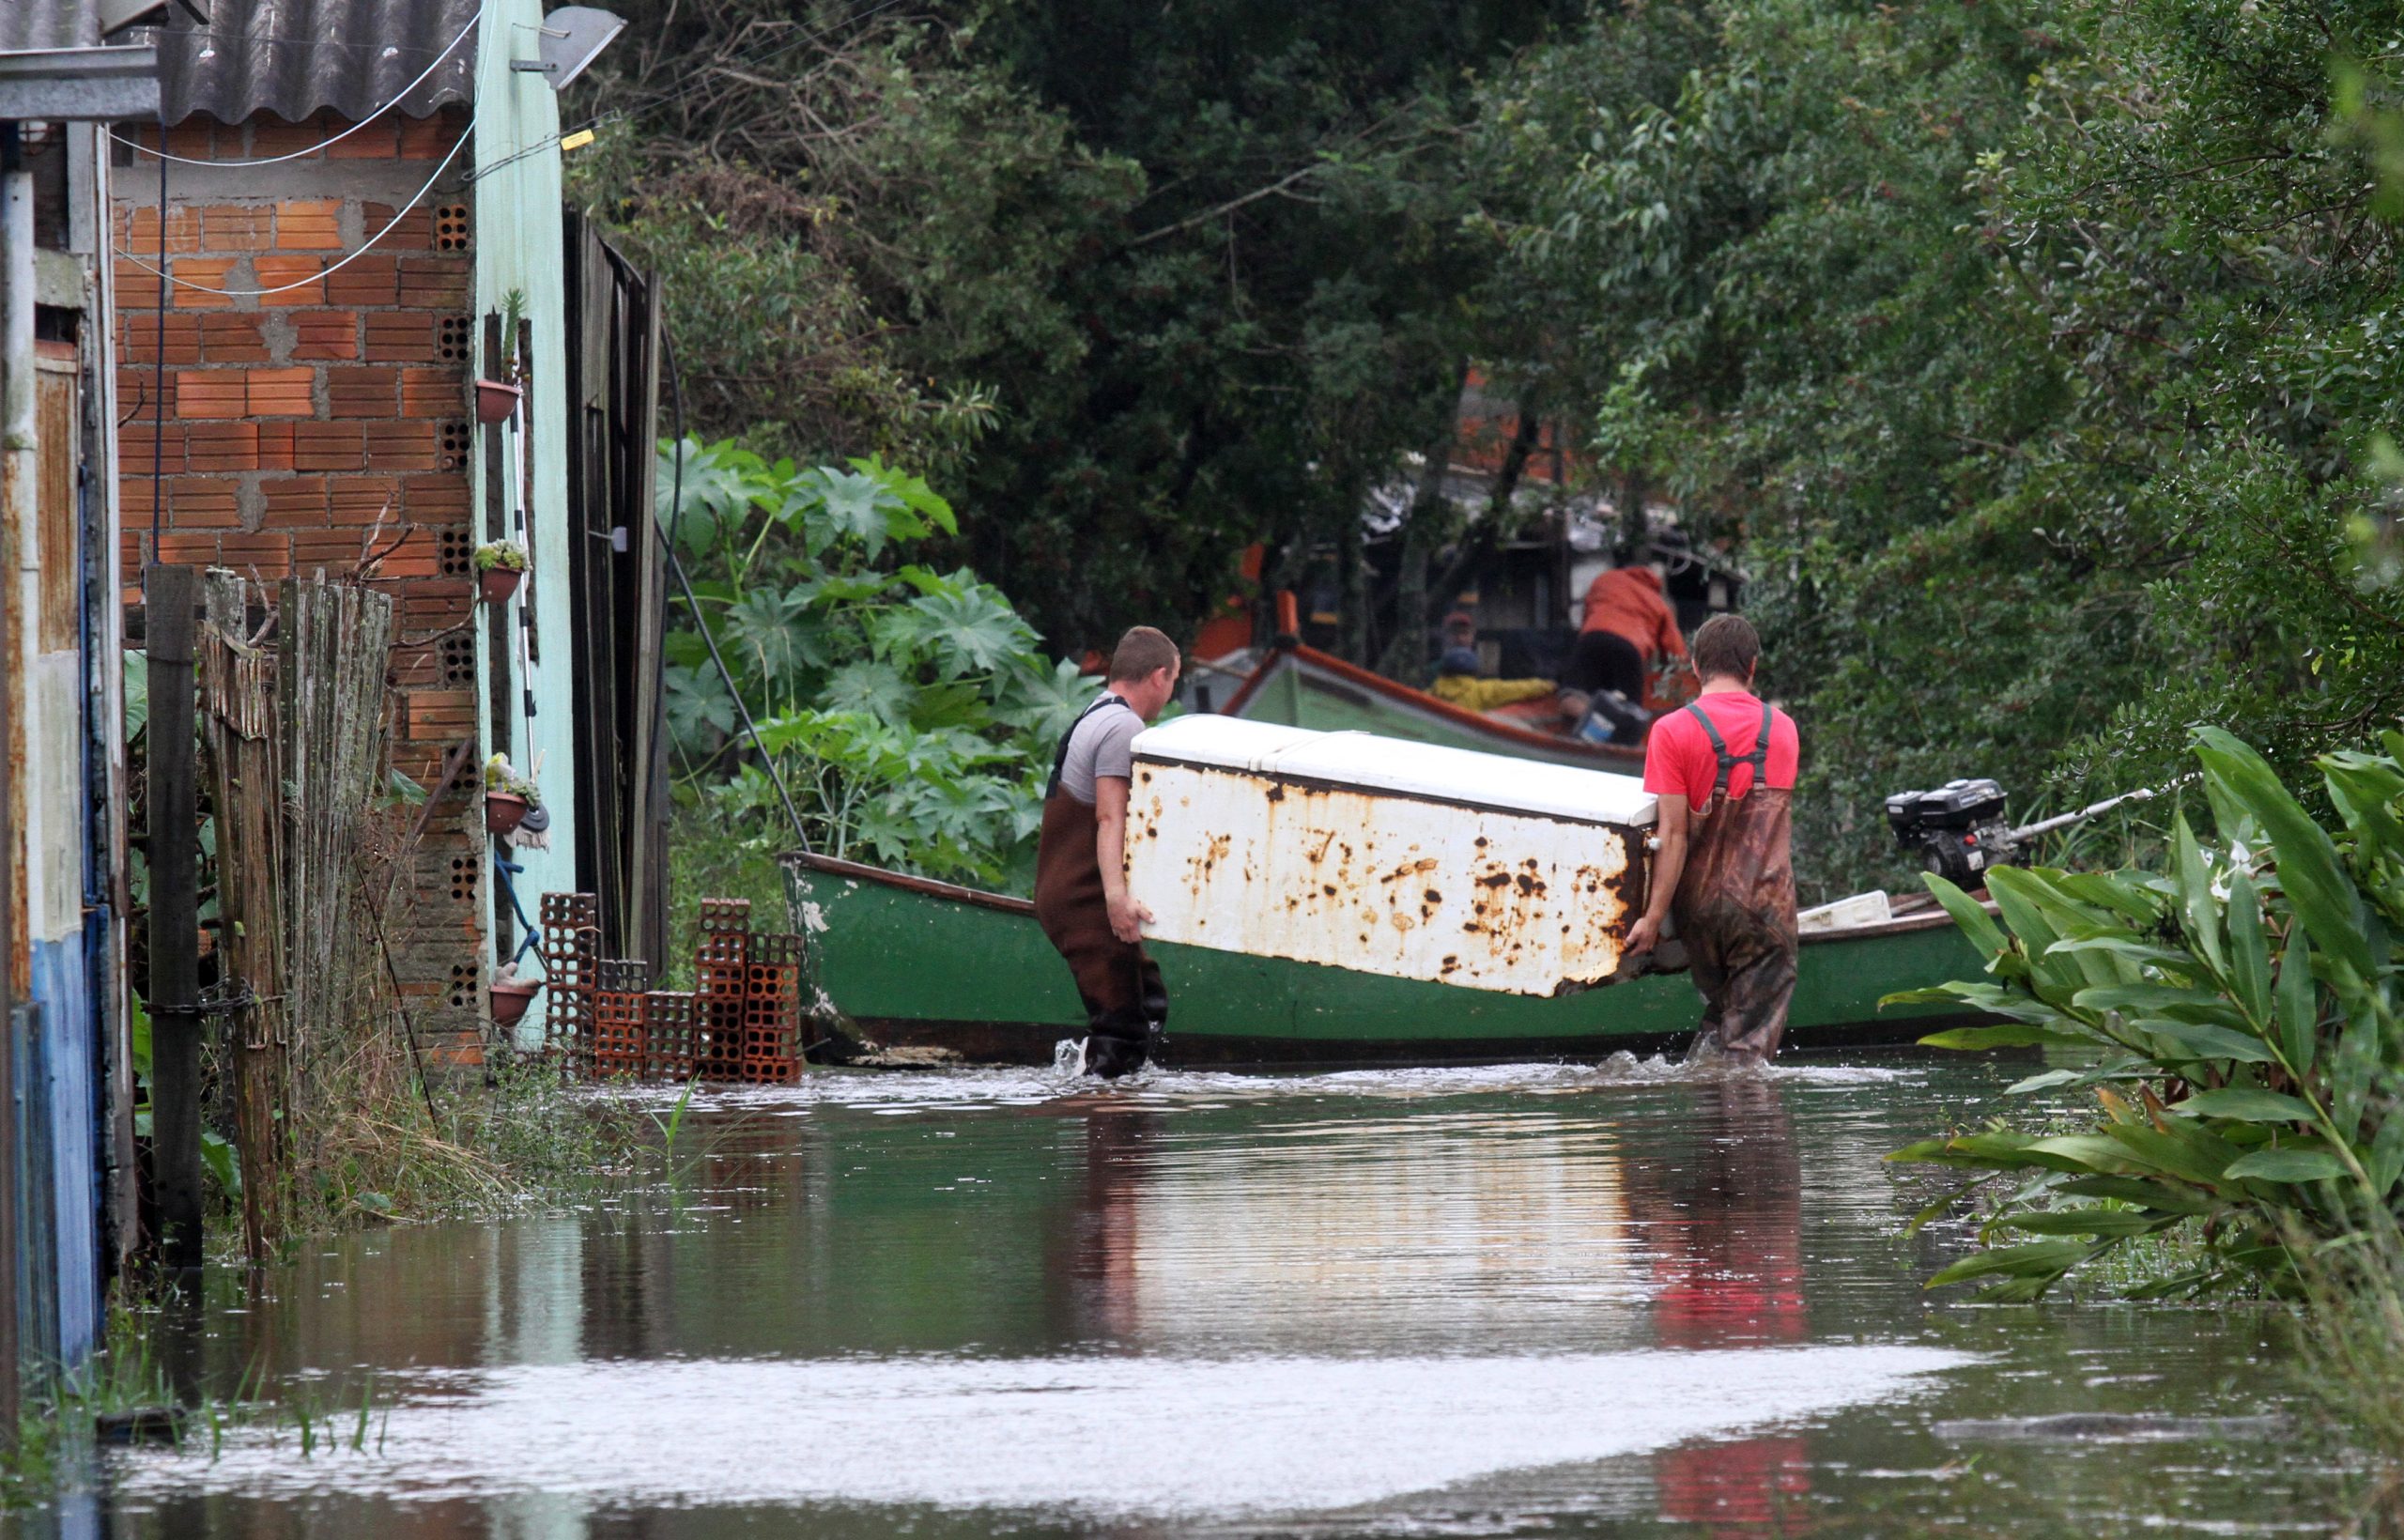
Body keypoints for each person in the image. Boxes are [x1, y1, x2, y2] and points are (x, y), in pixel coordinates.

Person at [1623, 614, 1800, 1059]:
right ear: (1753, 667)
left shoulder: (1670, 731)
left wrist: (1652, 917)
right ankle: (1741, 1124)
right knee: (1748, 1052)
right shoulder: (1783, 729)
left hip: (1699, 914)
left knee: (1723, 1027)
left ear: (1696, 667)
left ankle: (1711, 1121)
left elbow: (1674, 835)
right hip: (1765, 908)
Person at [1033, 626, 1181, 1079]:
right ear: (1159, 676)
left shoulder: (1097, 712)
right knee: (1122, 1032)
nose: (1170, 690)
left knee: (1147, 995)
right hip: (1083, 897)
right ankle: (1105, 1127)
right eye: (1174, 680)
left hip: (1066, 891)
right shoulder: (1123, 727)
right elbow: (1109, 817)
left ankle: (1110, 1092)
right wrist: (1117, 898)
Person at [1561, 556, 1689, 705]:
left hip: (1593, 637)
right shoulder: (1659, 602)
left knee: (1572, 694)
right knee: (1629, 712)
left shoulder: (1605, 579)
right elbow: (1674, 653)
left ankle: (1586, 718)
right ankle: (1611, 722)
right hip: (1629, 650)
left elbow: (1588, 612)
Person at [1428, 646, 1557, 715]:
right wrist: (1549, 685)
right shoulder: (1481, 690)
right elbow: (1518, 688)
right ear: (1475, 672)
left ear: (1443, 671)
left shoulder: (1431, 693)